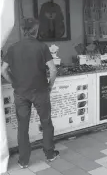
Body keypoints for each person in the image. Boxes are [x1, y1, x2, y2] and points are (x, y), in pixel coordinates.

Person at [1, 18, 59, 169]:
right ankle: (50, 154)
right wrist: (50, 86)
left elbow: (3, 70)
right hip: (40, 91)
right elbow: (53, 69)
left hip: (20, 92)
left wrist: (14, 82)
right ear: (36, 30)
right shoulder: (42, 47)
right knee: (46, 123)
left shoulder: (13, 48)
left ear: (22, 30)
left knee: (22, 127)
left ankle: (24, 161)